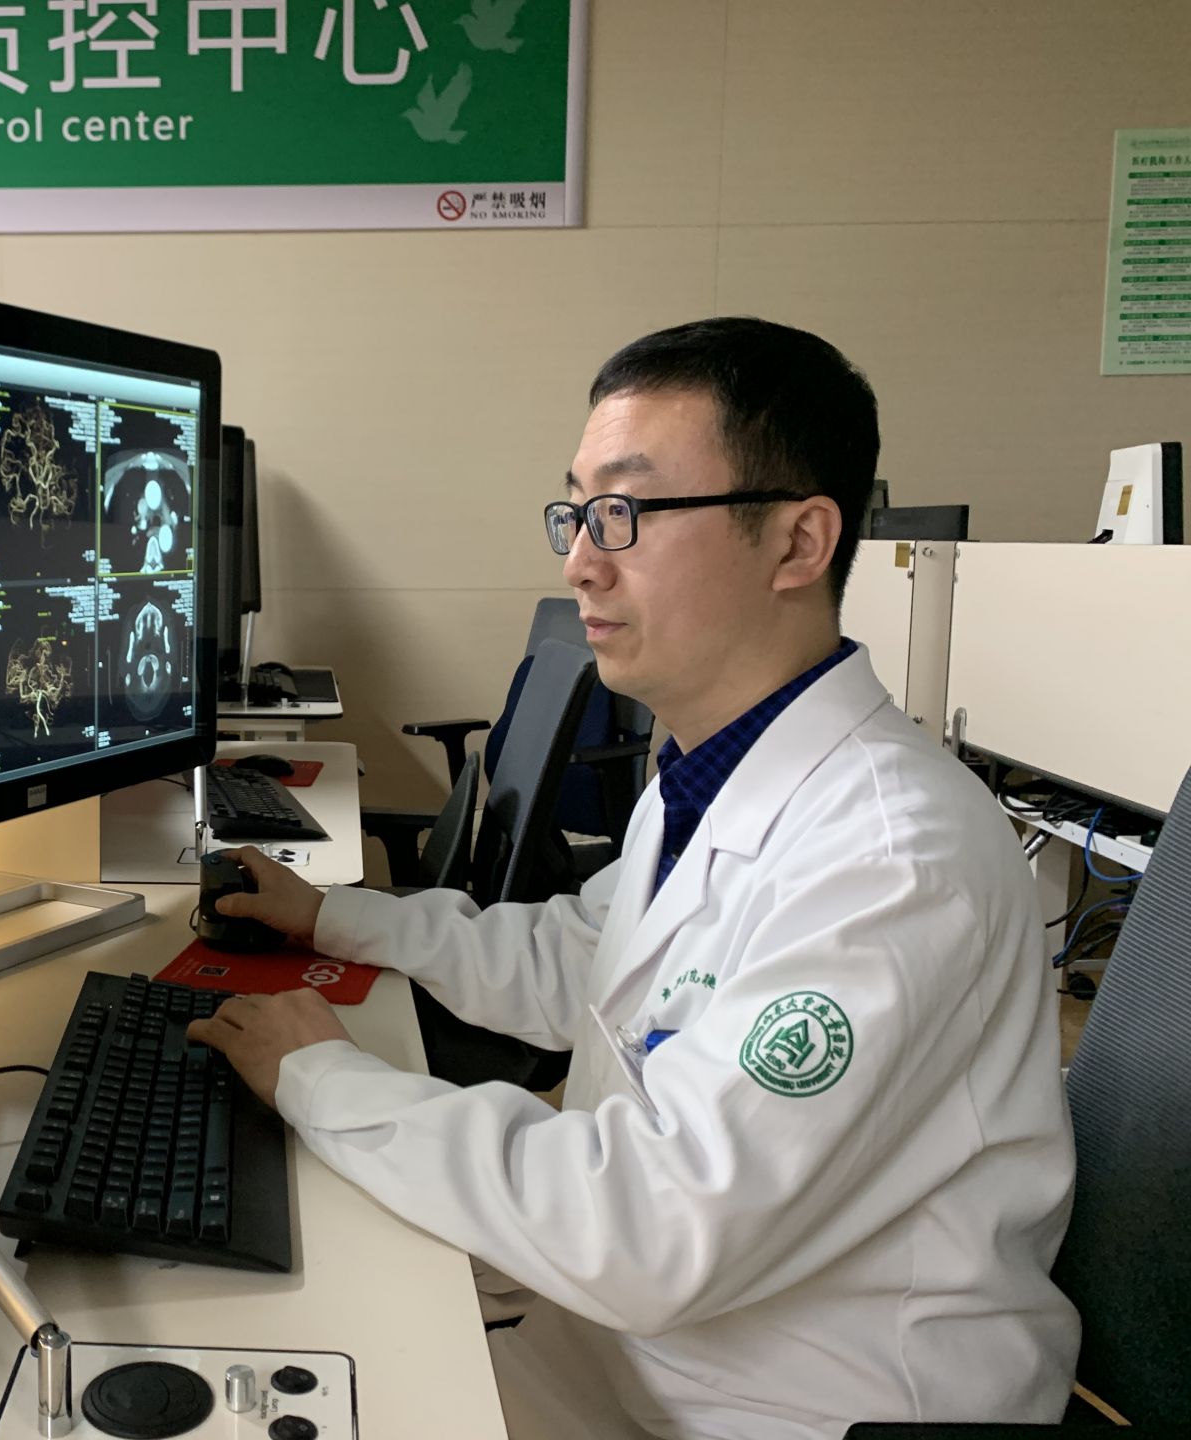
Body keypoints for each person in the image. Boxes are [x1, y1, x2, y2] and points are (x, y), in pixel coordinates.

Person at [187, 318, 1079, 1440]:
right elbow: (584, 961)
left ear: (799, 543)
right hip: (658, 1348)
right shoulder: (712, 768)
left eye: (626, 512)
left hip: (802, 1407)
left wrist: (323, 1079)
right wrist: (335, 917)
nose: (579, 560)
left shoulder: (895, 857)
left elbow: (652, 1227)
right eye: (575, 512)